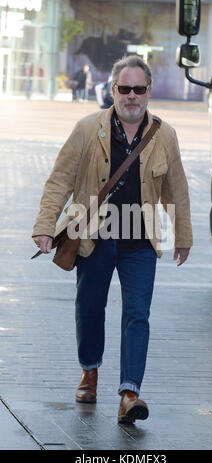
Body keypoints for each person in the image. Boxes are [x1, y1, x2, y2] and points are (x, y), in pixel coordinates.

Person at [32, 55, 193, 425]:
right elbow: (60, 180)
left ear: (149, 91)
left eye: (139, 89)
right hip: (94, 237)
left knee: (138, 315)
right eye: (125, 88)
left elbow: (177, 191)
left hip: (141, 241)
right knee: (90, 309)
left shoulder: (164, 135)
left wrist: (182, 235)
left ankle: (129, 392)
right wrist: (45, 225)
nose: (132, 96)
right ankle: (90, 370)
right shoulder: (88, 128)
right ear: (113, 90)